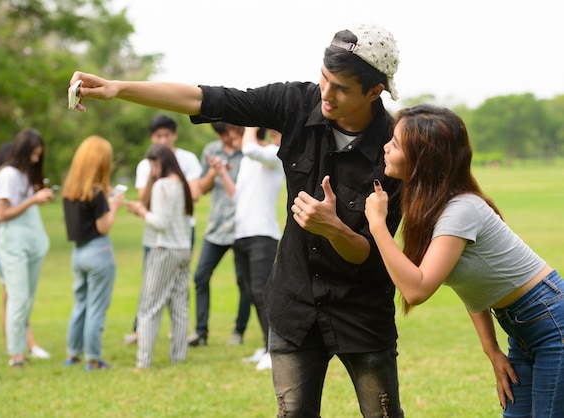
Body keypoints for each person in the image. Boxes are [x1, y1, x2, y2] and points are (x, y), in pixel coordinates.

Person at [68, 21, 405, 417]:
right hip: (294, 305)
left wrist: (333, 228)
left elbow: (368, 252)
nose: (325, 95)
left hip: (361, 311)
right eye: (324, 79)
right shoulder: (297, 102)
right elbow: (209, 99)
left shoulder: (396, 147)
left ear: (374, 91)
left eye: (341, 88)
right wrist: (118, 88)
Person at [364, 104, 564, 417]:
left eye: (396, 143)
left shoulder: (460, 210)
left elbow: (417, 289)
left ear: (422, 158)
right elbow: (475, 284)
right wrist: (492, 350)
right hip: (523, 328)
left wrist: (377, 225)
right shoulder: (434, 208)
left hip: (551, 323)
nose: (385, 147)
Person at [124, 113, 202, 345]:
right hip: (157, 236)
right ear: (152, 137)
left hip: (177, 232)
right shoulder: (147, 164)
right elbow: (143, 198)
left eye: (167, 135)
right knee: (150, 286)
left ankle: (174, 335)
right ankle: (142, 331)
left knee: (175, 290)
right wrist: (151, 178)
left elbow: (194, 194)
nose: (163, 140)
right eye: (158, 136)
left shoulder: (186, 160)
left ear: (174, 135)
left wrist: (160, 192)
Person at [217, 126, 284, 370]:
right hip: (241, 234)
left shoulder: (277, 155)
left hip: (262, 234)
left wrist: (250, 123)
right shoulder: (249, 160)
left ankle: (274, 349)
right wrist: (223, 173)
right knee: (251, 292)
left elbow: (248, 148)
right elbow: (237, 196)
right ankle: (267, 345)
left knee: (262, 293)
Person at [0, 128, 54, 368]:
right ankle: (15, 353)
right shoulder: (7, 174)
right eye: (33, 154)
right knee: (17, 298)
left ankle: (21, 349)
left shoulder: (25, 176)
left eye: (39, 155)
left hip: (32, 244)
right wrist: (32, 200)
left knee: (27, 299)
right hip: (13, 244)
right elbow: (2, 214)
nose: (36, 160)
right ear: (23, 151)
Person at [126, 143, 193, 369]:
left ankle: (143, 361)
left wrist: (141, 211)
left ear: (160, 163)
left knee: (149, 306)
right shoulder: (180, 183)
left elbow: (160, 223)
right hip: (183, 249)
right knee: (179, 306)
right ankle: (179, 357)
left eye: (153, 165)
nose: (151, 170)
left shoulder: (163, 185)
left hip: (164, 249)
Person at [62, 136, 125, 370]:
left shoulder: (71, 191)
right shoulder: (97, 193)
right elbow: (102, 226)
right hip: (98, 252)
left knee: (80, 304)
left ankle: (73, 354)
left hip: (77, 254)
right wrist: (115, 206)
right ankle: (94, 358)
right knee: (97, 307)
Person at [188, 122, 251, 347]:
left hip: (242, 227)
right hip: (216, 227)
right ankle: (201, 332)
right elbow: (201, 190)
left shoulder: (248, 152)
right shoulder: (211, 151)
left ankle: (239, 330)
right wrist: (215, 170)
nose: (225, 138)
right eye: (220, 134)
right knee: (200, 277)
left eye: (227, 132)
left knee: (244, 283)